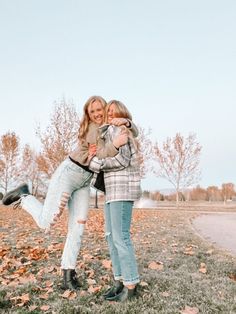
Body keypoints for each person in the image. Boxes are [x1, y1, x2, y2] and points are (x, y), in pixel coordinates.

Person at [2, 96, 132, 291]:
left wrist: (126, 122)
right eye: (92, 111)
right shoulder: (92, 129)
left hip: (84, 181)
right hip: (69, 173)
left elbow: (121, 139)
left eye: (99, 109)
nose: (97, 114)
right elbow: (104, 153)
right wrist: (115, 145)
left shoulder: (108, 127)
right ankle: (24, 196)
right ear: (88, 115)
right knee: (46, 221)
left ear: (105, 109)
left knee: (78, 228)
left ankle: (67, 275)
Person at [88, 100, 141, 302]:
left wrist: (97, 163)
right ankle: (119, 281)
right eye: (108, 110)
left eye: (113, 111)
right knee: (111, 237)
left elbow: (122, 160)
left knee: (121, 238)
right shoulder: (108, 131)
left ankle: (130, 285)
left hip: (123, 189)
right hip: (111, 192)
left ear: (121, 114)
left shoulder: (121, 130)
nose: (110, 114)